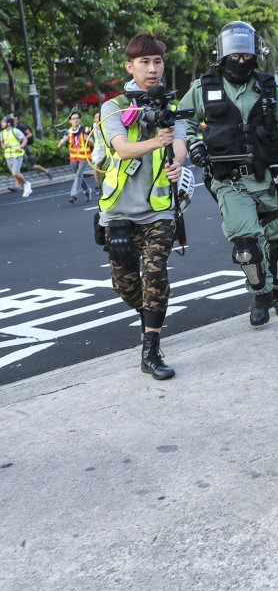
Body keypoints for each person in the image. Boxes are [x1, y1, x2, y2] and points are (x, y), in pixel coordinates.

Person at [178, 21, 278, 328]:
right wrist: (194, 146)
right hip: (231, 180)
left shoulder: (268, 86)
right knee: (246, 249)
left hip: (269, 176)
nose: (240, 60)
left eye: (246, 55)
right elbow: (183, 122)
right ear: (222, 53)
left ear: (255, 54)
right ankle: (260, 296)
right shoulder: (203, 88)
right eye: (235, 54)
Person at [97, 32, 187, 379]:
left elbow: (179, 142)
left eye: (158, 61)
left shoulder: (170, 106)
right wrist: (156, 141)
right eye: (145, 62)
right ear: (129, 66)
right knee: (125, 286)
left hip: (159, 211)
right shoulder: (113, 107)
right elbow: (121, 148)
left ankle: (150, 350)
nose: (152, 69)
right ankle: (151, 310)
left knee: (154, 271)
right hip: (118, 213)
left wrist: (177, 160)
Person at [57, 110, 94, 204]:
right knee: (79, 176)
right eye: (73, 119)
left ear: (80, 120)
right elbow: (59, 146)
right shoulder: (67, 132)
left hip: (84, 157)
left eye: (77, 118)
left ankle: (73, 195)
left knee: (78, 175)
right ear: (70, 121)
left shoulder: (85, 129)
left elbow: (93, 142)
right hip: (73, 158)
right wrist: (63, 141)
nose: (75, 120)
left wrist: (88, 139)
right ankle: (87, 191)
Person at [10, 110, 51, 180]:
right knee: (16, 167)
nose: (9, 118)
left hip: (24, 148)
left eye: (11, 116)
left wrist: (22, 139)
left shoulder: (21, 126)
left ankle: (47, 171)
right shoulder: (13, 127)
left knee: (32, 166)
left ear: (16, 117)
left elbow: (30, 134)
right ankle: (19, 185)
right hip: (17, 149)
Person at [2, 115, 31, 197]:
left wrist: (21, 147)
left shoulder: (15, 131)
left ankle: (26, 184)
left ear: (8, 123)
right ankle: (25, 186)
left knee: (15, 173)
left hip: (17, 155)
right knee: (15, 174)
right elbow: (2, 144)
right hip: (8, 156)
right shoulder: (2, 133)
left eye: (3, 121)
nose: (1, 123)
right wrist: (4, 146)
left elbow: (24, 139)